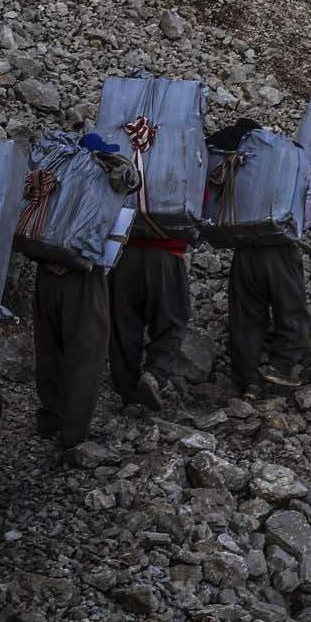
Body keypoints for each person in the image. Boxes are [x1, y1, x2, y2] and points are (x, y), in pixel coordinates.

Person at [32, 134, 133, 450]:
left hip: (45, 272)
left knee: (49, 349)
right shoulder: (99, 175)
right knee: (86, 354)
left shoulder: (58, 169)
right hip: (83, 276)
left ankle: (50, 418)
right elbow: (130, 181)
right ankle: (73, 434)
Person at [209, 119, 311, 399]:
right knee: (290, 308)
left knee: (246, 315)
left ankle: (249, 381)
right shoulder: (286, 155)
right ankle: (282, 366)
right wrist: (298, 226)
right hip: (279, 248)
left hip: (244, 248)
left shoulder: (234, 154)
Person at [111, 213, 191, 412]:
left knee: (123, 326)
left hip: (122, 252)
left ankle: (129, 395)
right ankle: (155, 373)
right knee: (171, 321)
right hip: (167, 252)